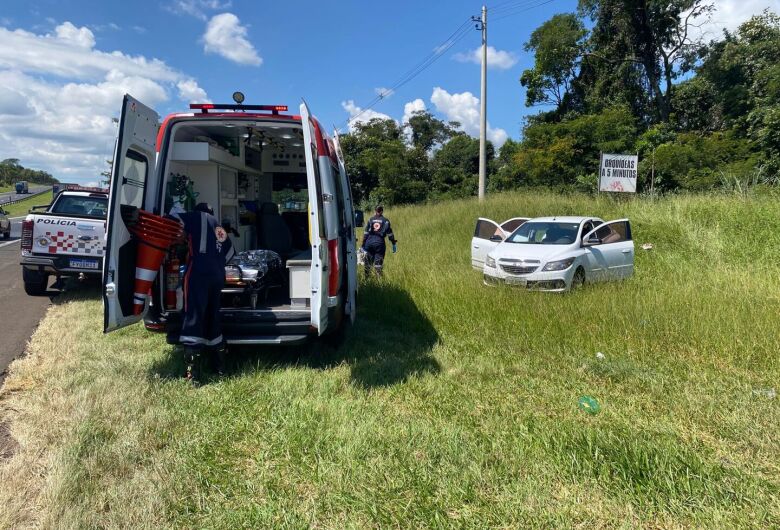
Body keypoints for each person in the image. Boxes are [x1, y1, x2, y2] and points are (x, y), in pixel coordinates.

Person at [171, 202, 235, 383]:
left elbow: (171, 220)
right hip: (217, 276)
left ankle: (193, 375)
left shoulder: (194, 217)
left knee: (194, 316)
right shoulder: (219, 227)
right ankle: (220, 368)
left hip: (198, 274)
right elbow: (230, 253)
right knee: (212, 316)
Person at [361, 205, 397, 278]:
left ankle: (367, 279)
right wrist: (393, 242)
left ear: (375, 211)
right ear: (382, 211)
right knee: (378, 264)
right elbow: (390, 234)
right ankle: (379, 280)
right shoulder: (386, 221)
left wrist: (363, 244)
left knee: (368, 263)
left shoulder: (370, 220)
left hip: (369, 242)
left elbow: (366, 233)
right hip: (379, 243)